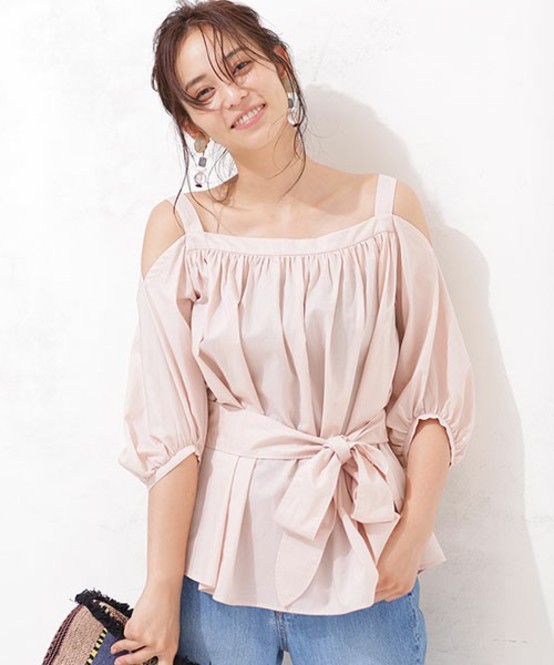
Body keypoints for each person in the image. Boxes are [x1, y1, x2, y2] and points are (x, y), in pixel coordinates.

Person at [111, 1, 476, 664]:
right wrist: (161, 588)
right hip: (219, 572)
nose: (232, 96)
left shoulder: (386, 213)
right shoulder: (182, 233)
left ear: (279, 63)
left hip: (363, 553)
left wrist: (411, 533)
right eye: (203, 93)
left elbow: (431, 394)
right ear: (192, 125)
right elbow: (173, 431)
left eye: (239, 66)